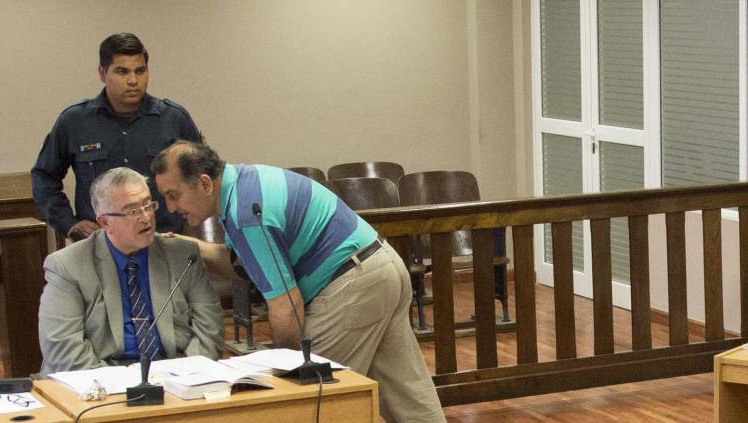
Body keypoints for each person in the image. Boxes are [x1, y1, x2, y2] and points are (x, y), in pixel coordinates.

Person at [152, 142, 446, 423]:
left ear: (204, 184)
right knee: (409, 398)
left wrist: (286, 370)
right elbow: (245, 266)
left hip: (350, 286)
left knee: (312, 400)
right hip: (381, 266)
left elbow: (286, 305)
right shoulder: (246, 182)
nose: (169, 207)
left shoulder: (246, 213)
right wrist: (188, 246)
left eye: (173, 195)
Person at [38, 167, 224, 374]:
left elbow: (211, 330)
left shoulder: (182, 255)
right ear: (105, 222)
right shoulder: (67, 266)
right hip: (99, 383)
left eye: (148, 205)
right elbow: (62, 349)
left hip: (174, 375)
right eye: (133, 211)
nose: (146, 218)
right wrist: (125, 385)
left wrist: (181, 376)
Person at [32, 32, 203, 241]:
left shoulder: (173, 119)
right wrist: (68, 222)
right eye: (122, 72)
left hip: (164, 241)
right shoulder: (74, 121)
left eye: (140, 71)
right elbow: (44, 176)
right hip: (101, 244)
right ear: (103, 73)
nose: (133, 81)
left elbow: (201, 178)